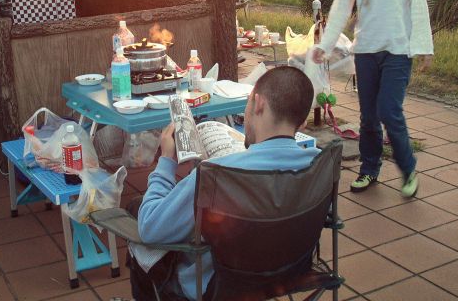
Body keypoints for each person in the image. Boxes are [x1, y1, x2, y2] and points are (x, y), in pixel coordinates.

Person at [129, 66, 320, 300]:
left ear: (258, 104)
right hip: (289, 276)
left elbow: (150, 229)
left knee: (138, 210)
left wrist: (167, 160)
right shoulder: (319, 165)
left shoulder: (217, 174)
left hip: (217, 288)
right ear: (302, 123)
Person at [311, 0, 433, 198]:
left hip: (397, 50)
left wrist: (423, 45)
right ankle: (369, 169)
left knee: (389, 111)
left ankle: (408, 168)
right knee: (368, 117)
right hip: (365, 49)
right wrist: (325, 45)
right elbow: (341, 7)